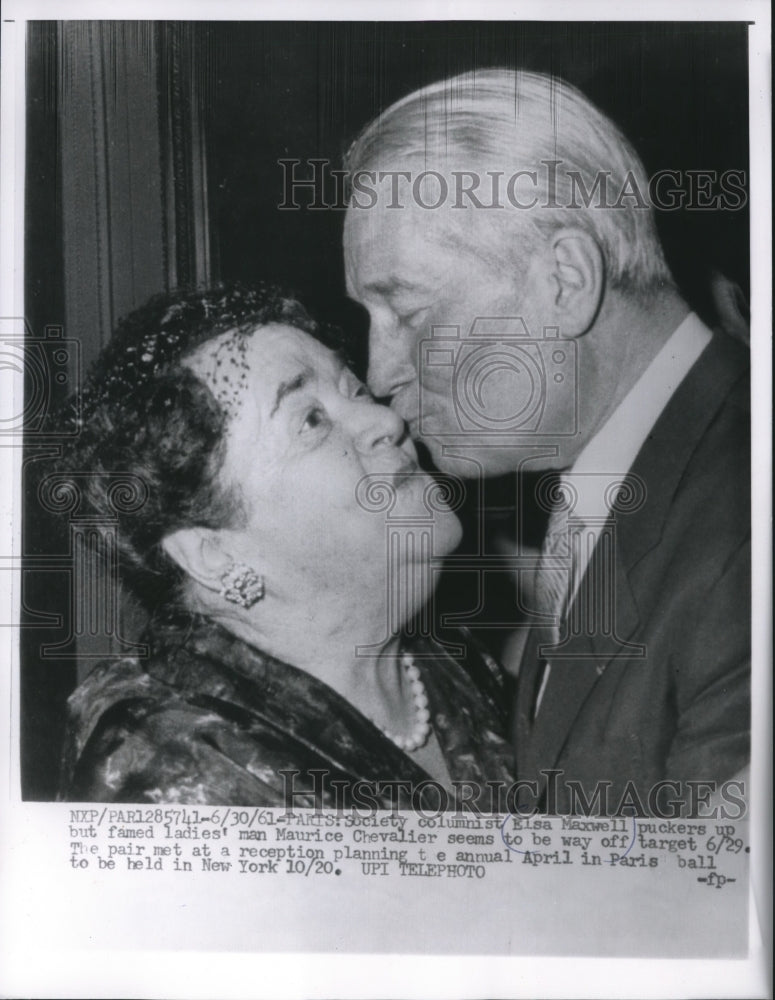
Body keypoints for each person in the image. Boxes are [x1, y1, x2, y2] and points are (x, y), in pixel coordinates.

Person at [343, 69, 750, 814]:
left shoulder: (745, 521)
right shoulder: (611, 492)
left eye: (408, 313)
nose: (379, 375)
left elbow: (722, 917)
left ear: (564, 280)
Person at [56, 284, 515, 808]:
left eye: (356, 390)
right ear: (214, 554)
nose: (387, 421)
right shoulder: (171, 770)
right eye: (312, 420)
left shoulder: (458, 667)